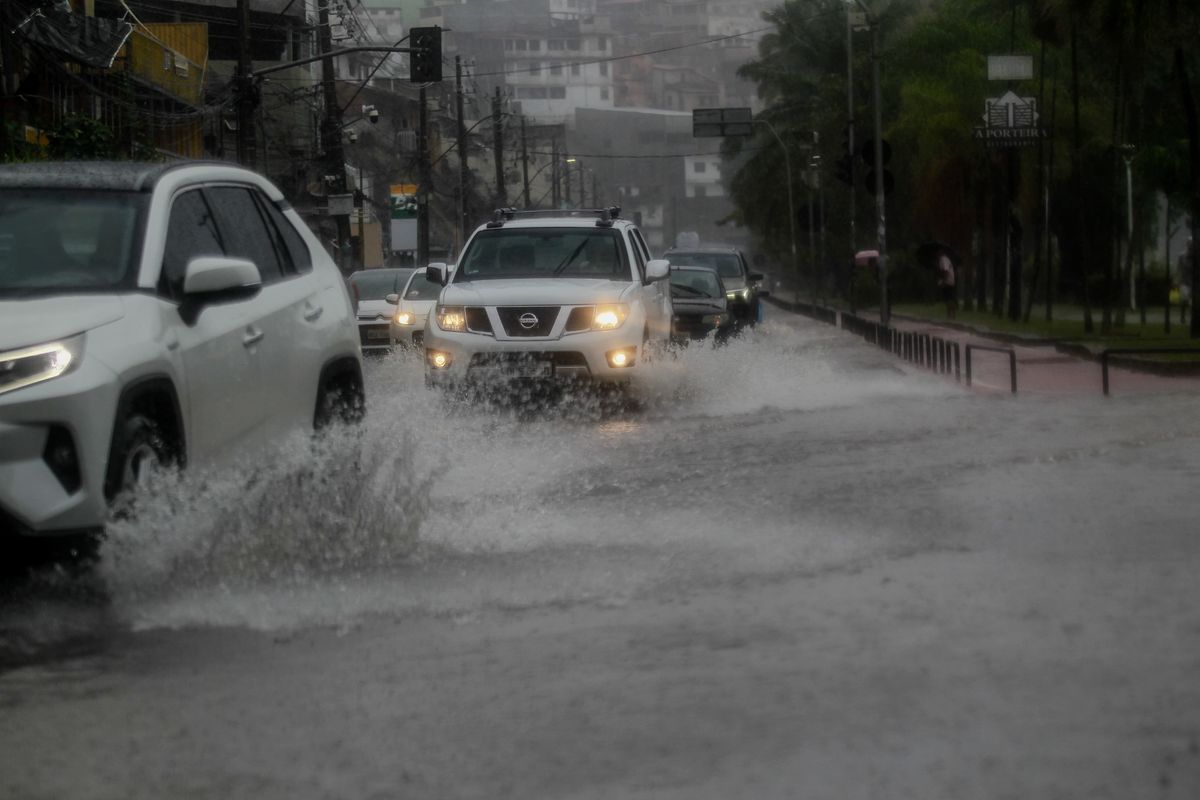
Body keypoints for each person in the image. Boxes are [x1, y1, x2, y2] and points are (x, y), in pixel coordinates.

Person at [936, 249, 957, 319]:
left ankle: (952, 315)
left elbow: (946, 271)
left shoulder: (943, 259)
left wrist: (944, 281)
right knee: (947, 298)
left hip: (948, 281)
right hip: (947, 280)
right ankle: (949, 315)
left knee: (949, 298)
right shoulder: (941, 260)